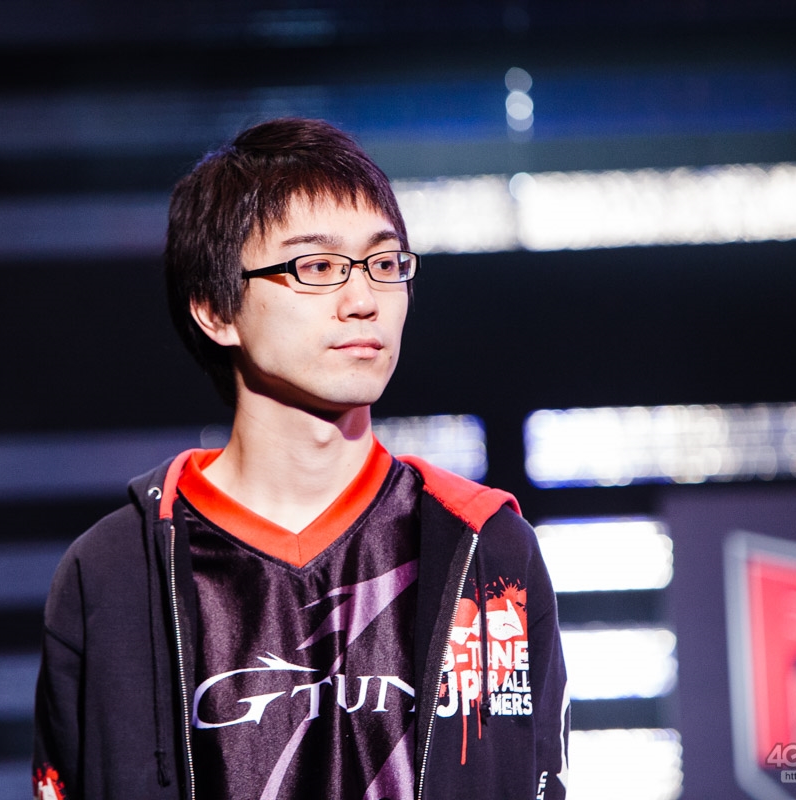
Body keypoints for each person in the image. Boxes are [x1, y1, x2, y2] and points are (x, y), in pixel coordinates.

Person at [32, 117, 569, 800]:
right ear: (215, 309)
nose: (363, 301)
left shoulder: (486, 549)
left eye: (385, 264)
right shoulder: (113, 572)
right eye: (316, 268)